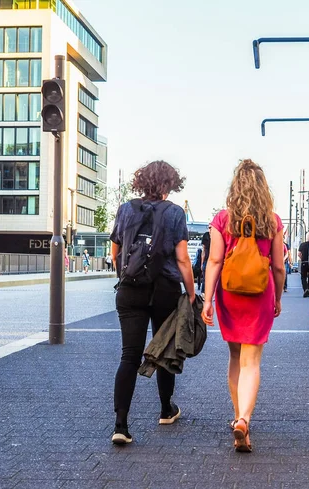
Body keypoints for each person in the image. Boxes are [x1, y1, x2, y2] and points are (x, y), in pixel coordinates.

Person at [109, 160, 195, 445]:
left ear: (141, 182)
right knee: (164, 350)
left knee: (129, 355)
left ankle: (121, 425)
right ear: (169, 184)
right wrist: (191, 292)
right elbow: (183, 259)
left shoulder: (125, 209)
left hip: (130, 288)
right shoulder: (174, 213)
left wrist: (125, 277)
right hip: (164, 289)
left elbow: (115, 252)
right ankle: (166, 409)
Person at [202, 159, 286, 452]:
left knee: (236, 358)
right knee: (252, 361)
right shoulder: (272, 221)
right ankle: (244, 420)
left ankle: (238, 417)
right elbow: (278, 267)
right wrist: (277, 298)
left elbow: (213, 261)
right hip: (260, 294)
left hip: (230, 294)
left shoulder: (222, 220)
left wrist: (208, 299)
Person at [298, 232, 309, 297]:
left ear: (306, 237)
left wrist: (302, 258)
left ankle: (305, 289)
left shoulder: (302, 245)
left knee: (303, 277)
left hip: (304, 262)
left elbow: (299, 254)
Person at [200, 226, 211, 292]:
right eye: (209, 227)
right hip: (207, 260)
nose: (210, 229)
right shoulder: (206, 235)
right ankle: (203, 293)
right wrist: (202, 263)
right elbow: (203, 250)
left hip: (214, 259)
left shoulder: (217, 236)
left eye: (211, 227)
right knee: (205, 279)